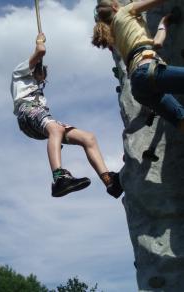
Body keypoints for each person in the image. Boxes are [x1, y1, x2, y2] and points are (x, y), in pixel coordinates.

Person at [10, 32, 123, 198]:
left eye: (43, 80)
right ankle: (59, 179)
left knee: (88, 138)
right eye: (41, 77)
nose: (41, 81)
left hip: (40, 115)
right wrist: (39, 41)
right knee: (55, 129)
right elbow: (40, 51)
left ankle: (109, 181)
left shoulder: (35, 84)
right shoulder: (19, 72)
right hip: (27, 111)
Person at [92, 0, 184, 132]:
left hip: (139, 87)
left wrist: (164, 22)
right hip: (147, 70)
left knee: (181, 120)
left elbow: (157, 43)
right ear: (114, 6)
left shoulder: (113, 33)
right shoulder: (124, 12)